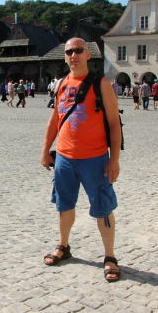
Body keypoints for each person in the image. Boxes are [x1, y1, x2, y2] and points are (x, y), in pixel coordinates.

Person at [40, 38, 121, 282]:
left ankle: (110, 257)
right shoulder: (62, 84)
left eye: (78, 51)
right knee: (64, 205)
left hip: (94, 158)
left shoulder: (101, 84)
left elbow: (115, 123)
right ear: (64, 57)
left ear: (87, 54)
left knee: (103, 208)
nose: (73, 55)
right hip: (64, 157)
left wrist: (114, 159)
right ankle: (63, 246)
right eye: (69, 52)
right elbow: (55, 119)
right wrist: (46, 150)